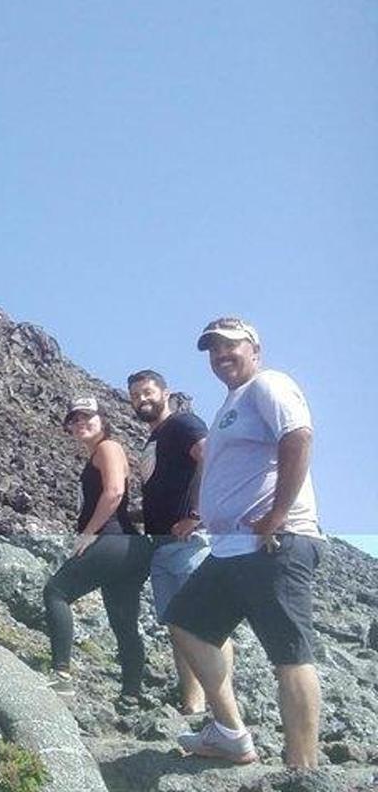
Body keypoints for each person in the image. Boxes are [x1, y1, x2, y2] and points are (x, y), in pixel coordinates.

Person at [167, 317, 325, 767]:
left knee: (289, 655)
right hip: (232, 548)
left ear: (254, 347)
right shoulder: (231, 406)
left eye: (230, 345)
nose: (221, 355)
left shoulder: (268, 384)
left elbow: (298, 437)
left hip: (276, 543)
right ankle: (231, 733)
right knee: (187, 623)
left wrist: (277, 515)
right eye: (213, 349)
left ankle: (302, 769)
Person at [127, 368, 232, 715]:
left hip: (190, 544)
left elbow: (210, 456)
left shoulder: (182, 424)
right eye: (135, 395)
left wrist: (198, 513)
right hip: (161, 547)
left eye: (147, 392)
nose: (142, 399)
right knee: (179, 628)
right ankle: (194, 704)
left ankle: (223, 711)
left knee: (206, 623)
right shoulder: (152, 441)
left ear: (165, 392)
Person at [43, 397, 154, 706]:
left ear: (102, 419)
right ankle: (132, 693)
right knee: (123, 621)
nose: (80, 423)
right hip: (129, 549)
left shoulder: (108, 447)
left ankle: (61, 675)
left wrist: (88, 534)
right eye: (74, 419)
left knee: (56, 592)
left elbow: (115, 491)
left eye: (87, 417)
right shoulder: (100, 452)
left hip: (113, 540)